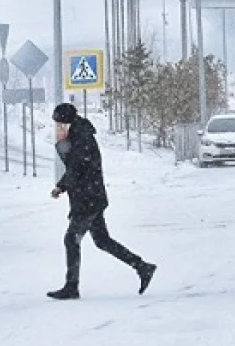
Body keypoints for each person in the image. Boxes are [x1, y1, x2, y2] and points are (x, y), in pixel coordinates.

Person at [47, 103, 156, 300]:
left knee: (71, 240)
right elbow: (75, 164)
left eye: (59, 123)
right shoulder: (78, 136)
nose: (57, 128)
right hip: (90, 197)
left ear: (67, 122)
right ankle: (142, 267)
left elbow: (77, 168)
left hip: (88, 199)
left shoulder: (82, 138)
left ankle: (72, 286)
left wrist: (61, 186)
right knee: (102, 241)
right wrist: (63, 144)